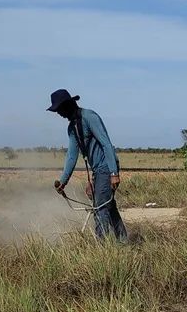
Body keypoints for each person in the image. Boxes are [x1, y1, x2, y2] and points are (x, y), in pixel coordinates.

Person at [49, 88, 128, 242]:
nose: (58, 114)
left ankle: (102, 248)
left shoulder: (90, 117)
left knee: (100, 208)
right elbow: (72, 155)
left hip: (106, 167)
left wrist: (113, 173)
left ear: (68, 105)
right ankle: (123, 241)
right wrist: (63, 181)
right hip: (98, 171)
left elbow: (106, 144)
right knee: (108, 206)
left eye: (59, 109)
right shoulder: (72, 128)